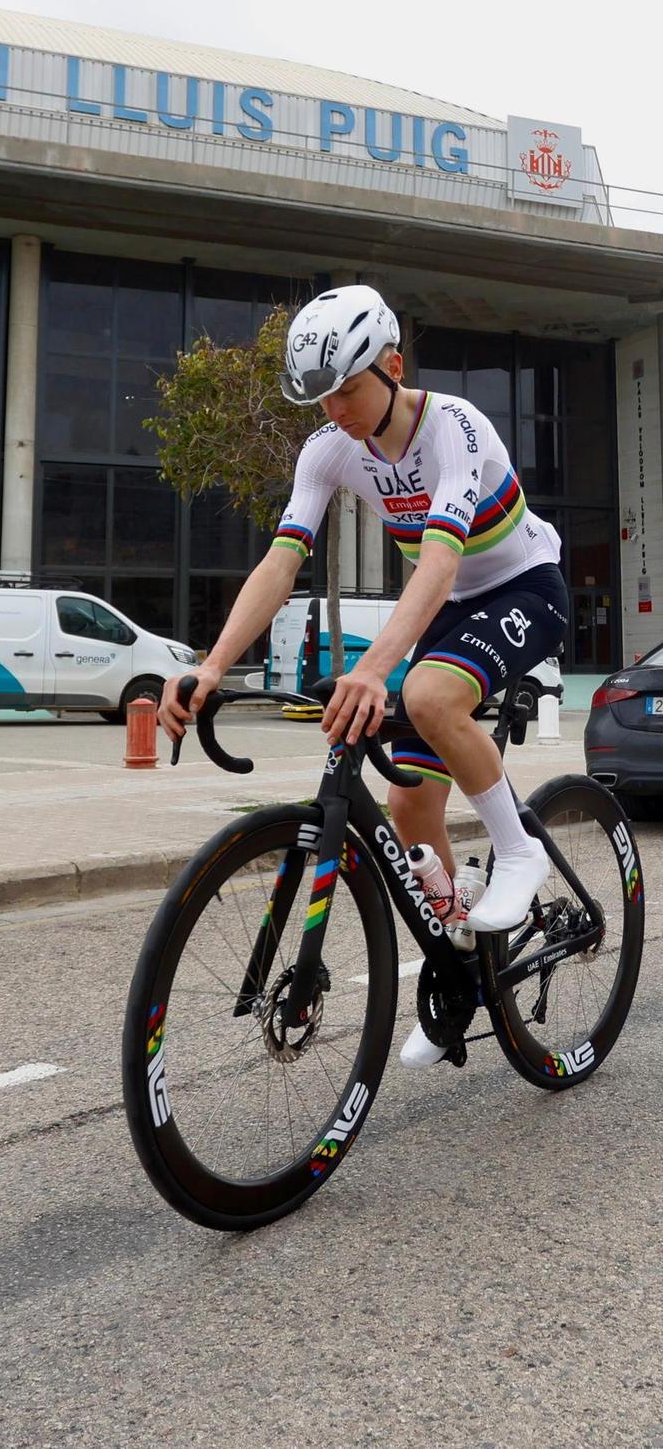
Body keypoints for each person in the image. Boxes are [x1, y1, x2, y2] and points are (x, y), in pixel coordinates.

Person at [158, 284, 567, 1068]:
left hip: (522, 586)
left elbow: (443, 558)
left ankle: (519, 853)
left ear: (393, 366)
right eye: (319, 397)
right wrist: (208, 667)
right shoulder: (330, 450)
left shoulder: (455, 429)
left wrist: (375, 667)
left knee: (425, 692)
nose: (335, 409)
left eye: (347, 389)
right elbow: (282, 562)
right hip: (443, 608)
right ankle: (466, 975)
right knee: (410, 806)